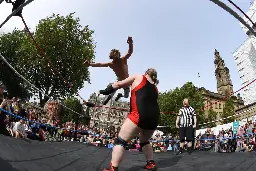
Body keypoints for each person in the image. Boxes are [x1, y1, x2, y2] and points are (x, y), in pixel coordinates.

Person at [99, 68, 159, 171]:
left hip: (139, 115)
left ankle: (113, 168)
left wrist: (104, 91)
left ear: (145, 73)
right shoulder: (155, 88)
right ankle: (151, 163)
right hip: (154, 118)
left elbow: (118, 85)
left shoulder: (139, 77)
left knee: (120, 141)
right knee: (144, 140)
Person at [84, 36, 133, 105]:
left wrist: (130, 43)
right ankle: (107, 98)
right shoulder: (111, 64)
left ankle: (120, 95)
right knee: (112, 90)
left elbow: (129, 52)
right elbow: (100, 64)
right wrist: (90, 64)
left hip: (127, 81)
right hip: (119, 80)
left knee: (126, 96)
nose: (115, 60)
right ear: (112, 58)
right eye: (114, 58)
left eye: (116, 57)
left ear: (119, 56)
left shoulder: (123, 60)